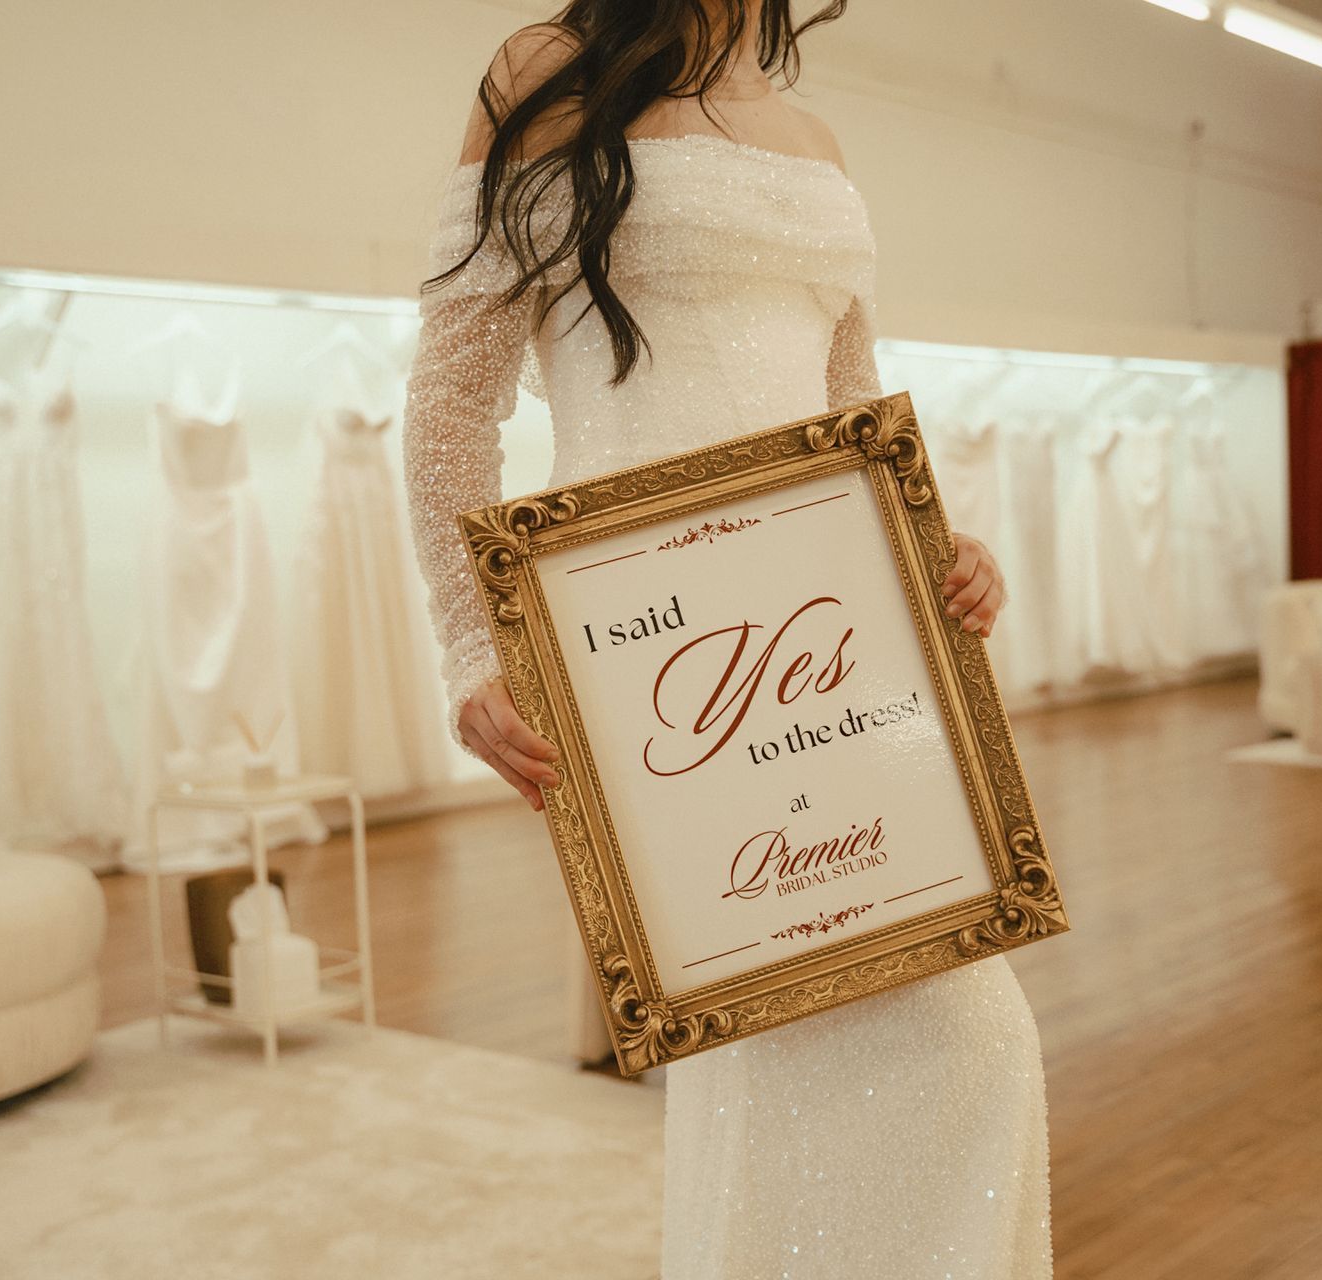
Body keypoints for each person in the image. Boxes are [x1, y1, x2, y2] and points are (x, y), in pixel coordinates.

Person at [400, 3, 1051, 1274]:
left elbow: (850, 409)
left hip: (840, 653)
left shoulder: (816, 139)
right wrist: (471, 649)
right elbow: (450, 400)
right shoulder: (548, 74)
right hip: (657, 665)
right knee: (757, 1038)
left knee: (976, 1033)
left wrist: (939, 545)